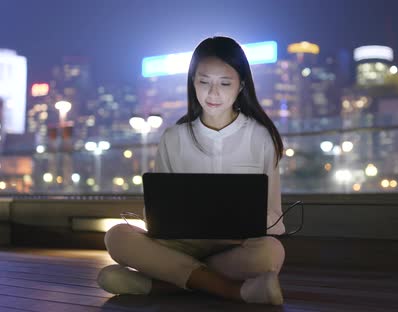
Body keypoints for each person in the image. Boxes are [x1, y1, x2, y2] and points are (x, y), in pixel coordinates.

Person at [96, 36, 286, 306]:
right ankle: (232, 290)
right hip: (182, 244)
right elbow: (160, 213)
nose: (213, 93)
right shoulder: (174, 137)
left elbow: (274, 216)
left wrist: (247, 222)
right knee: (116, 236)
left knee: (271, 253)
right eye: (204, 81)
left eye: (225, 83)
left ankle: (165, 282)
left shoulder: (261, 138)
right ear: (192, 83)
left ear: (241, 84)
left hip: (234, 247)